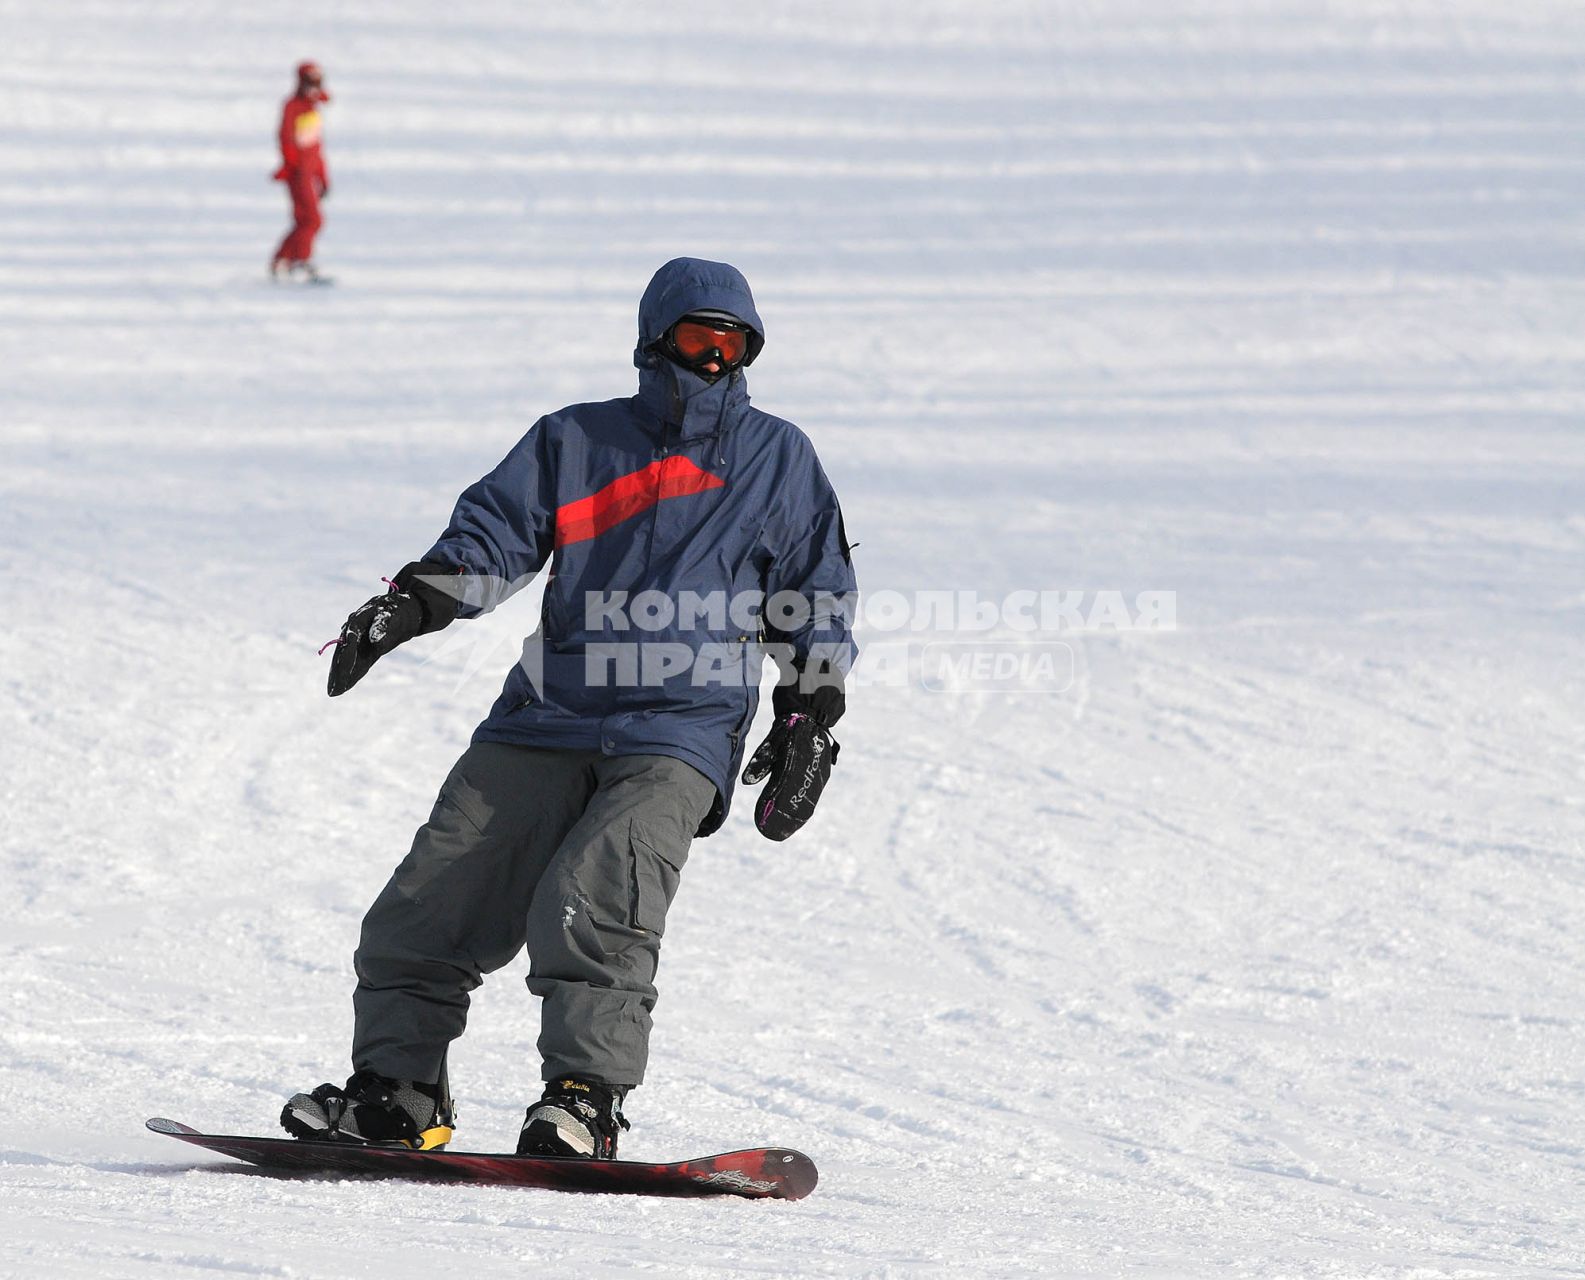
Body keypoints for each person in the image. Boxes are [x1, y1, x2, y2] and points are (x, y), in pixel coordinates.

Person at [282, 258, 857, 1159]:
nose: (712, 362)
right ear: (653, 340)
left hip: (680, 723)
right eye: (696, 340)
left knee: (597, 893)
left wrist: (808, 712)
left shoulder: (776, 456)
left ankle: (582, 1099)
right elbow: (493, 537)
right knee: (429, 899)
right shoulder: (574, 440)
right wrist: (414, 602)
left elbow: (812, 591)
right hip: (545, 714)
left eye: (732, 345)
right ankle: (398, 1090)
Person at [270, 61, 331, 281]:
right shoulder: (292, 106)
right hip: (298, 173)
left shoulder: (313, 108)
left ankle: (283, 259)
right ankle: (299, 260)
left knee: (306, 220)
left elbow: (315, 146)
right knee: (312, 219)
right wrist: (296, 169)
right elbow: (286, 139)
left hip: (309, 172)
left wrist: (323, 177)